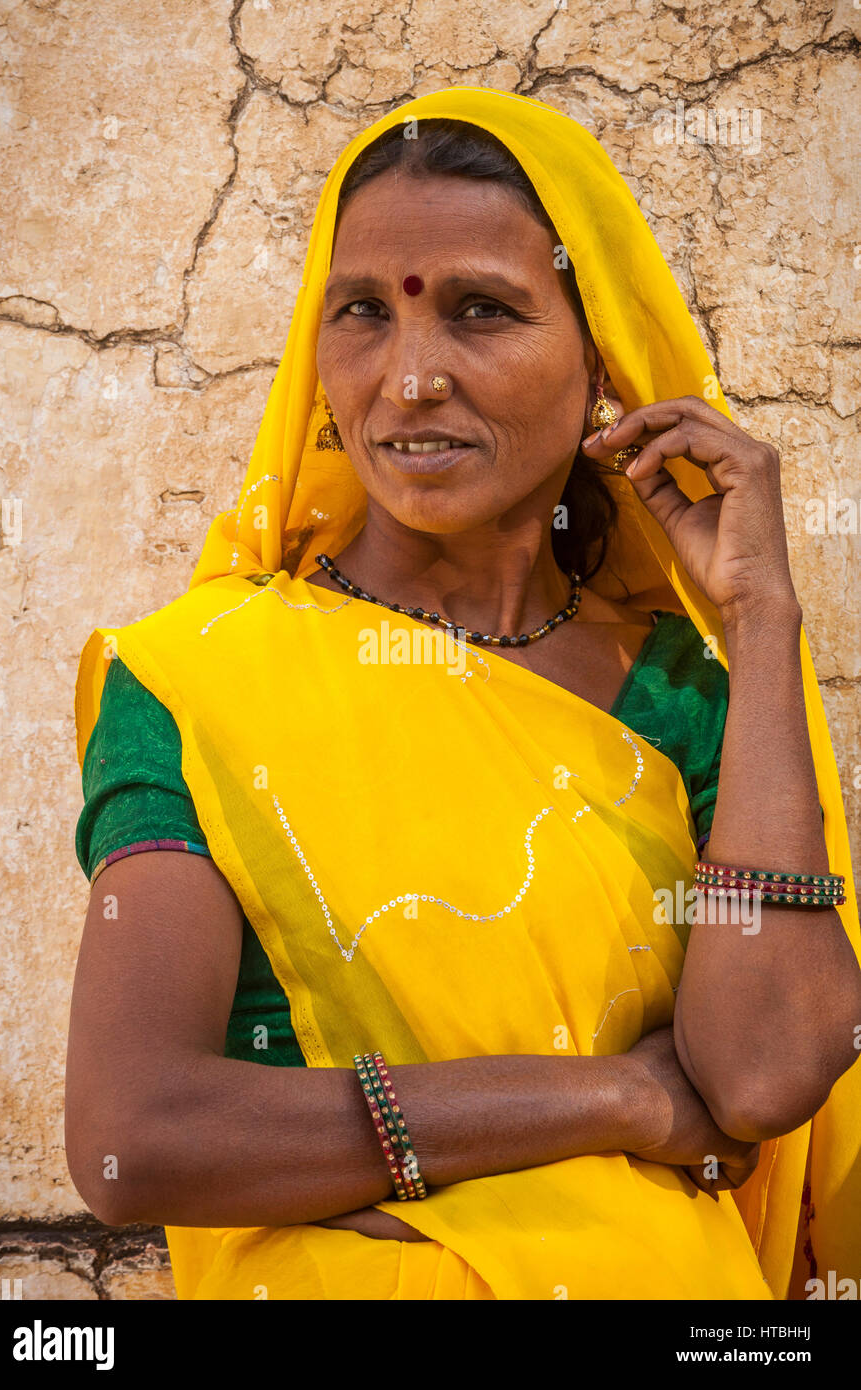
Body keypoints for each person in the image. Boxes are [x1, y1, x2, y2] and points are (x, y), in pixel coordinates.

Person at [66, 86, 861, 1301]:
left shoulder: (683, 697)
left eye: (482, 312)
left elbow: (760, 1080)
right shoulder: (202, 680)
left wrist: (760, 626)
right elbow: (139, 1134)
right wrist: (624, 1097)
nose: (411, 378)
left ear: (599, 356)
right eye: (362, 314)